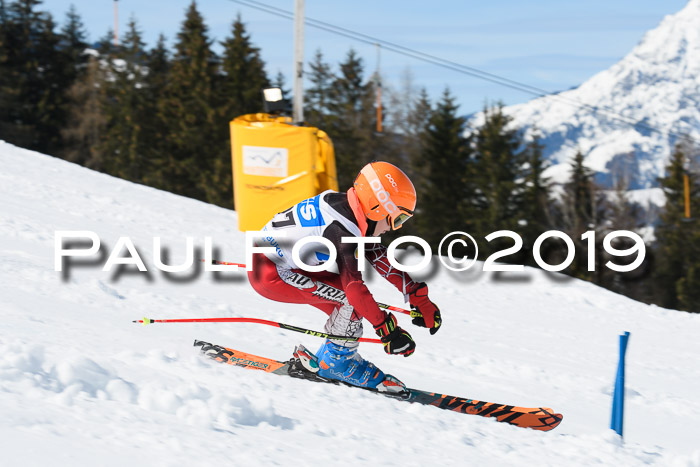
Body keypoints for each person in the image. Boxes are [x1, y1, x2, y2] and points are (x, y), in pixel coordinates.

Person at [248, 161, 441, 392]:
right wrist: (388, 331)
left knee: (355, 306)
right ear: (377, 207)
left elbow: (376, 254)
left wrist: (415, 294)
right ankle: (336, 363)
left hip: (275, 261)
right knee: (351, 301)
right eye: (397, 219)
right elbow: (355, 289)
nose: (394, 228)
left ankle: (332, 356)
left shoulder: (347, 208)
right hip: (271, 273)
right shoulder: (341, 229)